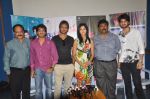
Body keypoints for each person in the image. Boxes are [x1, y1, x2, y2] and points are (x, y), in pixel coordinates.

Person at [118, 13, 145, 99]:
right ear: (119, 23)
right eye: (121, 22)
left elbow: (141, 47)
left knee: (137, 83)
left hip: (135, 62)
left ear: (128, 22)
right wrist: (119, 61)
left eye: (125, 21)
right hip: (123, 63)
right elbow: (120, 50)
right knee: (127, 83)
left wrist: (140, 61)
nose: (123, 23)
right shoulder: (119, 35)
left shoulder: (136, 32)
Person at [93, 19, 121, 99]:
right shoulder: (94, 38)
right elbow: (91, 50)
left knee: (111, 83)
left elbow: (118, 48)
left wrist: (111, 55)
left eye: (105, 25)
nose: (103, 27)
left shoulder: (114, 37)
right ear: (98, 28)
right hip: (99, 64)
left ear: (107, 27)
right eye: (101, 26)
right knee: (100, 83)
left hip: (111, 63)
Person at [30, 24, 58, 99]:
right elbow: (31, 57)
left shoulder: (50, 42)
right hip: (37, 69)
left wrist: (52, 67)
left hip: (48, 68)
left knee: (49, 90)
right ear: (36, 32)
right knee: (38, 90)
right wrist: (32, 70)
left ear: (45, 32)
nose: (41, 32)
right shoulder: (33, 43)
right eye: (39, 30)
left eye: (43, 30)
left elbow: (55, 56)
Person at [3, 24, 31, 99]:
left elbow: (32, 55)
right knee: (15, 92)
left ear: (23, 32)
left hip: (26, 70)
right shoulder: (9, 44)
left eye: (21, 31)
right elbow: (6, 58)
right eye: (17, 32)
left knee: (26, 91)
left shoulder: (28, 42)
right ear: (14, 33)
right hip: (15, 72)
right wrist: (8, 72)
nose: (19, 33)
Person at [52, 20, 74, 99]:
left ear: (68, 29)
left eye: (65, 27)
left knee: (67, 87)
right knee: (57, 86)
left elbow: (74, 52)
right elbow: (51, 52)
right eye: (62, 27)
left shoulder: (71, 39)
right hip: (58, 65)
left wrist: (73, 64)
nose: (64, 29)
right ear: (59, 28)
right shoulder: (54, 39)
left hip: (69, 65)